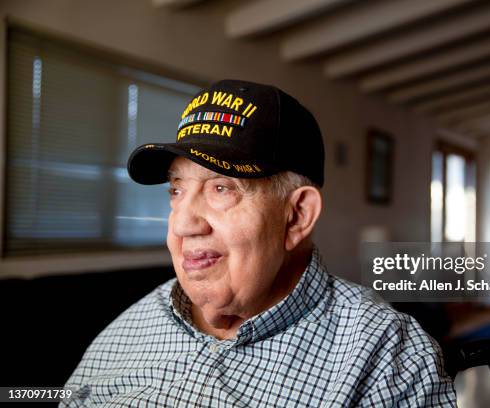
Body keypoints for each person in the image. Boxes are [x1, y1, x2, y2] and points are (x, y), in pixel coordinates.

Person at [61, 79, 457, 407]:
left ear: (297, 215)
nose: (181, 224)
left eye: (222, 188)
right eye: (176, 191)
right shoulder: (131, 328)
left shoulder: (387, 357)